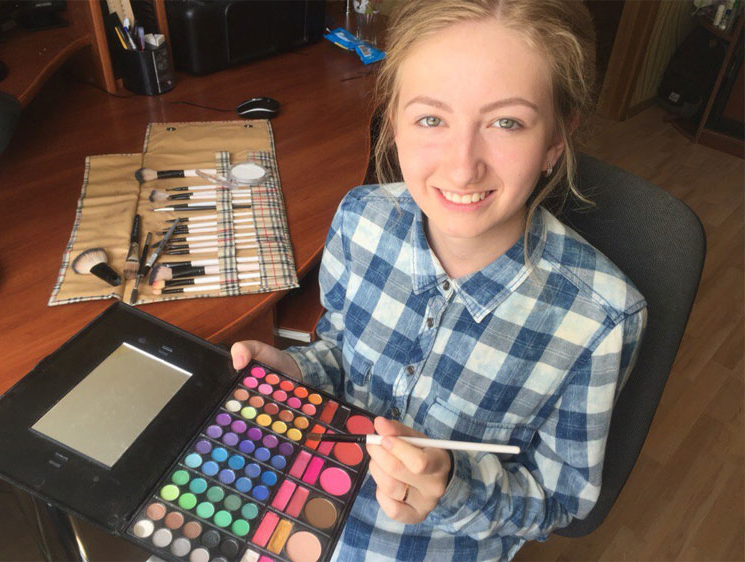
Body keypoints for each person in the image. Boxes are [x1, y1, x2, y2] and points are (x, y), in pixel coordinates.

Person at [231, 0, 647, 559]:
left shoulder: (600, 320)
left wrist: (453, 486)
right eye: (431, 119)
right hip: (297, 507)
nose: (462, 166)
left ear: (556, 139)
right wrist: (297, 372)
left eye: (506, 123)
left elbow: (558, 499)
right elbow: (340, 351)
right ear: (393, 121)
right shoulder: (360, 220)